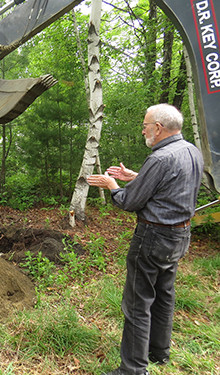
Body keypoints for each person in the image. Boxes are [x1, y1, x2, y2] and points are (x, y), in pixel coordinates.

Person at [87, 104, 203, 375]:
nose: (143, 131)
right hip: (180, 236)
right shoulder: (191, 151)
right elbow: (173, 184)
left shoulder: (160, 158)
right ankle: (158, 353)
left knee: (138, 303)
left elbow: (129, 201)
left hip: (153, 238)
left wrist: (113, 186)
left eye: (145, 126)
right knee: (164, 295)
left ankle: (133, 369)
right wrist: (136, 177)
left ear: (159, 128)